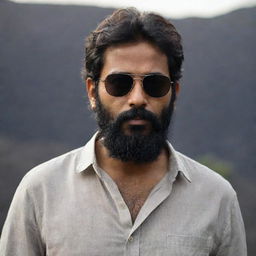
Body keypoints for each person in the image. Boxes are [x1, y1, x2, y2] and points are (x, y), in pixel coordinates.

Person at [0, 7, 247, 256]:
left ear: (175, 93)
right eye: (119, 83)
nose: (138, 99)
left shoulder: (217, 198)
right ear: (92, 92)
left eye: (155, 84)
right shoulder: (40, 191)